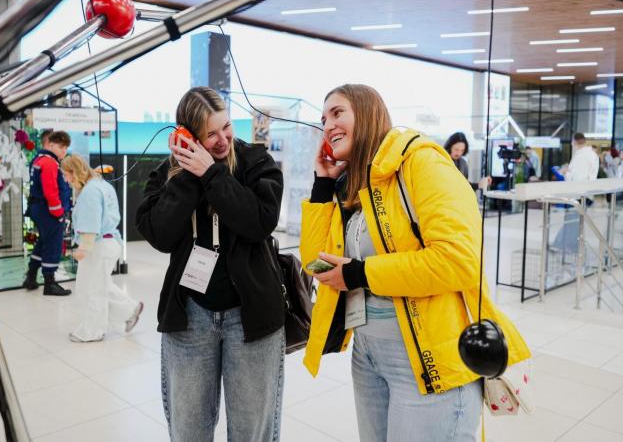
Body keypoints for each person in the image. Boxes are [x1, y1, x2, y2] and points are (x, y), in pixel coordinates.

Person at [300, 84, 530, 442]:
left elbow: (457, 260)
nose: (328, 125)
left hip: (427, 356)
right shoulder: (356, 186)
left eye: (337, 113)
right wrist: (322, 186)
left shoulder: (422, 163)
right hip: (367, 353)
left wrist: (359, 273)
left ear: (369, 113)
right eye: (323, 118)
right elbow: (316, 264)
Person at [135, 86, 285, 442]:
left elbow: (259, 222)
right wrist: (191, 173)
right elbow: (159, 234)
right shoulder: (169, 174)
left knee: (252, 431)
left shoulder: (255, 162)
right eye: (210, 134)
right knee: (188, 429)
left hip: (251, 317)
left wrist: (213, 175)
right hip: (189, 315)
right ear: (188, 137)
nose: (222, 140)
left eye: (226, 127)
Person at [61, 155, 143, 343]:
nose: (65, 179)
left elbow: (91, 222)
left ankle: (92, 332)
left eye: (66, 175)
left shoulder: (90, 192)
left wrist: (84, 248)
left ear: (74, 172)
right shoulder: (102, 185)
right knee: (99, 284)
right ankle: (130, 309)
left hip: (98, 245)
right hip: (109, 242)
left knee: (93, 290)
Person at [23, 131, 73, 296]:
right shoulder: (50, 163)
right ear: (50, 145)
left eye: (66, 147)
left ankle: (31, 277)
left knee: (43, 242)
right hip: (48, 211)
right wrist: (58, 213)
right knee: (53, 245)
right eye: (61, 147)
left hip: (40, 208)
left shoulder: (39, 160)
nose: (64, 151)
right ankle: (49, 284)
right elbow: (51, 191)